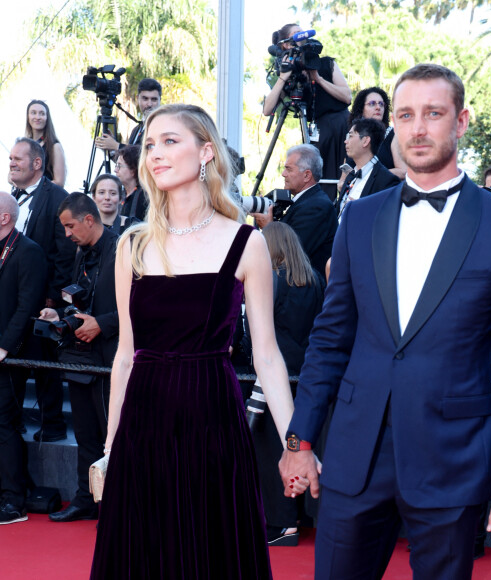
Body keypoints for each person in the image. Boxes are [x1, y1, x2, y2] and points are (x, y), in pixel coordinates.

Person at [279, 63, 491, 580]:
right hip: (355, 455)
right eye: (406, 115)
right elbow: (330, 340)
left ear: (462, 121)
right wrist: (299, 440)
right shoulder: (358, 217)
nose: (418, 128)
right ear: (393, 124)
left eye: (433, 113)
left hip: (451, 460)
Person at [90, 103, 299, 578]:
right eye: (149, 145)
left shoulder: (247, 243)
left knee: (211, 553)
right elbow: (125, 356)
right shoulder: (133, 245)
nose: (155, 154)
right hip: (143, 419)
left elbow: (267, 354)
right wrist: (111, 444)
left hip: (212, 419)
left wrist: (295, 442)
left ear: (206, 151)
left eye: (170, 141)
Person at [38, 193, 119, 523]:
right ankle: (86, 499)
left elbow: (141, 304)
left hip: (113, 359)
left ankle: (115, 506)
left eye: (70, 226)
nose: (67, 234)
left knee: (111, 438)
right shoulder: (80, 252)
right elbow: (76, 295)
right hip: (80, 357)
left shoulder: (123, 249)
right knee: (86, 435)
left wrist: (102, 324)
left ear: (89, 219)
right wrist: (59, 314)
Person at [249, 221, 324, 546]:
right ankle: (297, 518)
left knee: (269, 453)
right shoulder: (315, 281)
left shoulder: (272, 282)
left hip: (273, 379)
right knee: (297, 447)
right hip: (305, 376)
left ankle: (282, 524)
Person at [9, 137, 76, 442]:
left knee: (45, 365)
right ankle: (15, 421)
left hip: (44, 301)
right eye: (10, 159)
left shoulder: (57, 197)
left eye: (17, 159)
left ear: (37, 163)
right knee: (15, 363)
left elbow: (64, 255)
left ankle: (52, 425)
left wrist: (52, 297)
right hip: (14, 298)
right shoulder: (12, 196)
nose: (11, 163)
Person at [0, 192, 47, 525]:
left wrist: (4, 347)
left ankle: (14, 502)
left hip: (11, 356)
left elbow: (27, 305)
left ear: (4, 218)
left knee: (4, 424)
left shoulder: (28, 251)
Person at [263, 24, 351, 199]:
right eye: (296, 34)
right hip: (320, 131)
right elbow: (267, 110)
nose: (302, 36)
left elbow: (347, 97)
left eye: (302, 32)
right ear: (286, 45)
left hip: (343, 125)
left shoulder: (325, 63)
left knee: (347, 173)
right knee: (321, 178)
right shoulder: (289, 75)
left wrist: (317, 78)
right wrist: (283, 78)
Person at [252, 144, 337, 278]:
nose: (283, 174)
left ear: (307, 175)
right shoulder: (305, 202)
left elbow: (292, 254)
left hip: (304, 291)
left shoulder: (316, 207)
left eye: (288, 169)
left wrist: (269, 227)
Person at [336, 117, 400, 220]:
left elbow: (387, 220)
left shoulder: (386, 181)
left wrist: (360, 211)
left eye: (350, 136)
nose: (345, 141)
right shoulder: (351, 175)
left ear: (365, 141)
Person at [346, 86, 406, 179]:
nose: (378, 107)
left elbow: (403, 172)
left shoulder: (392, 135)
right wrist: (342, 183)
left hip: (384, 191)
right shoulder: (353, 136)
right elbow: (344, 176)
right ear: (361, 109)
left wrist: (370, 174)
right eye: (372, 104)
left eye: (381, 104)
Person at [95, 77, 162, 152]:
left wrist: (117, 145)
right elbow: (128, 162)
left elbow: (147, 154)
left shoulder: (162, 125)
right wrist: (112, 149)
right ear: (137, 98)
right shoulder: (136, 129)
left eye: (154, 99)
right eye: (145, 99)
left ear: (160, 100)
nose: (149, 104)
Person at [24, 100, 67, 187]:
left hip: (45, 197)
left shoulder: (55, 146)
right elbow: (11, 175)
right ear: (28, 117)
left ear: (47, 118)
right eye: (33, 113)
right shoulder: (24, 145)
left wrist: (32, 186)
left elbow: (59, 182)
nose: (37, 117)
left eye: (42, 113)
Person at [114, 145, 148, 221]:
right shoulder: (121, 194)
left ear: (133, 170)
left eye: (119, 166)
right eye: (116, 165)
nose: (115, 170)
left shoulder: (144, 197)